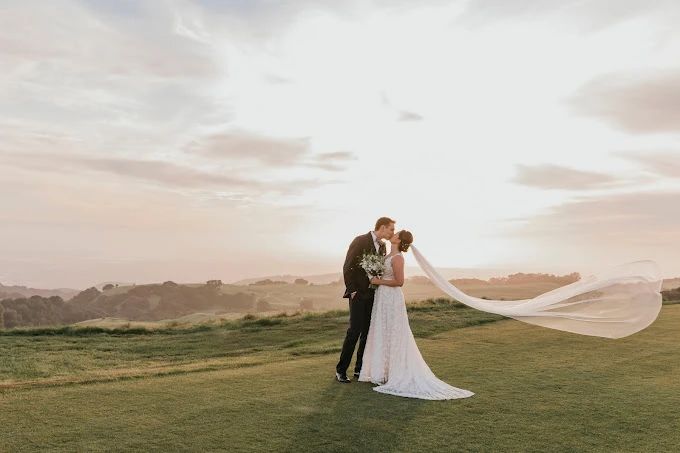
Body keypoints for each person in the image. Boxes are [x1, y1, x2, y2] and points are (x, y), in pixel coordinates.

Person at [358, 230, 474, 400]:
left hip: (391, 298)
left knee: (394, 331)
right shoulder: (387, 254)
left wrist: (377, 281)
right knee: (383, 330)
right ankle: (382, 372)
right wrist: (374, 273)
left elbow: (399, 282)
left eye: (396, 234)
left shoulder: (398, 258)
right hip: (382, 297)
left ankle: (396, 372)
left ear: (399, 240)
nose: (393, 234)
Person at [335, 217, 395, 383]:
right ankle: (341, 370)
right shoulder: (360, 240)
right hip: (358, 294)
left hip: (373, 294)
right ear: (382, 227)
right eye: (391, 229)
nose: (392, 233)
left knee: (367, 333)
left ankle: (359, 369)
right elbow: (348, 266)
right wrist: (352, 290)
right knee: (354, 331)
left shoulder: (382, 246)